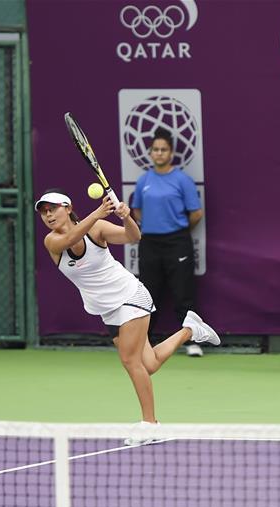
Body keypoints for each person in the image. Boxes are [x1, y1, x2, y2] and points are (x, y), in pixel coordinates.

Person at [35, 189, 220, 444]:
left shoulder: (98, 228)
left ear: (67, 208)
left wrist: (126, 217)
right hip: (107, 309)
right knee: (149, 364)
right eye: (44, 212)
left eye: (53, 209)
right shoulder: (51, 242)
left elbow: (134, 237)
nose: (48, 215)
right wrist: (98, 212)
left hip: (131, 295)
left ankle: (150, 424)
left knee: (130, 361)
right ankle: (190, 328)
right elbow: (68, 240)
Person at [131, 128, 205, 357]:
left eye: (164, 150)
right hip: (150, 243)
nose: (159, 153)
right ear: (150, 153)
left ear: (171, 153)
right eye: (156, 150)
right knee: (147, 294)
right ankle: (141, 344)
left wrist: (177, 230)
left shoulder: (182, 180)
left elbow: (196, 213)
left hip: (177, 242)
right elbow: (136, 210)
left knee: (183, 292)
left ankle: (192, 340)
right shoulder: (144, 180)